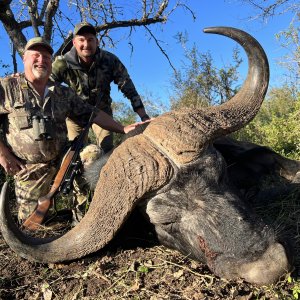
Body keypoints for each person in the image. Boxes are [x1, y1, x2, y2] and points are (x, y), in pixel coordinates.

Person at [0, 37, 142, 223]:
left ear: (52, 62)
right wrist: (3, 155)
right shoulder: (6, 87)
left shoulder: (62, 92)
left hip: (63, 160)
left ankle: (83, 216)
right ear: (24, 58)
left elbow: (93, 114)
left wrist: (123, 128)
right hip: (29, 168)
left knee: (91, 154)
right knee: (32, 226)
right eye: (36, 55)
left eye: (46, 57)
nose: (41, 60)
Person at [51, 22, 150, 153]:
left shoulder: (110, 60)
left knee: (107, 150)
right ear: (74, 43)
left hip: (102, 112)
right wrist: (22, 79)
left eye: (90, 40)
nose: (86, 44)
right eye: (81, 40)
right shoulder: (62, 63)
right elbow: (44, 82)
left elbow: (128, 87)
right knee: (74, 153)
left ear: (97, 42)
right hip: (76, 114)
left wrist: (144, 117)